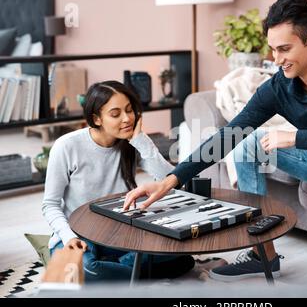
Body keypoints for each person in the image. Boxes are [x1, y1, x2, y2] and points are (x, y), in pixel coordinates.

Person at [123, 0, 307, 282]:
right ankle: (264, 255)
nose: (276, 59)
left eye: (284, 49)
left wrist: (297, 137)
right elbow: (229, 135)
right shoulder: (279, 86)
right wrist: (170, 181)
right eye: (272, 49)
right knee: (249, 143)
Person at [43, 80, 194, 282]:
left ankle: (116, 274)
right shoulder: (66, 146)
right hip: (79, 234)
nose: (127, 119)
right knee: (86, 268)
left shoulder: (133, 141)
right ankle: (131, 272)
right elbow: (50, 205)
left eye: (130, 110)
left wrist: (141, 141)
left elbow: (171, 181)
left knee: (183, 258)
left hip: (122, 234)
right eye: (115, 114)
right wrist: (69, 237)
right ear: (96, 119)